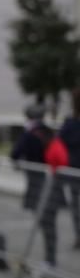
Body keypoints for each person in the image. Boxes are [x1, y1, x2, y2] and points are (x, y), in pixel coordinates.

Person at [11, 104, 65, 270]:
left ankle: (49, 260)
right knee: (50, 223)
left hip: (37, 183)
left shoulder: (28, 135)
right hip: (54, 182)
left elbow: (15, 154)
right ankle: (50, 258)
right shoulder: (50, 132)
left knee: (43, 222)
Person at [55, 88, 80, 249]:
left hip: (73, 169)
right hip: (73, 170)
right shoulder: (70, 123)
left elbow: (59, 143)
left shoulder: (70, 124)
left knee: (76, 205)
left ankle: (79, 235)